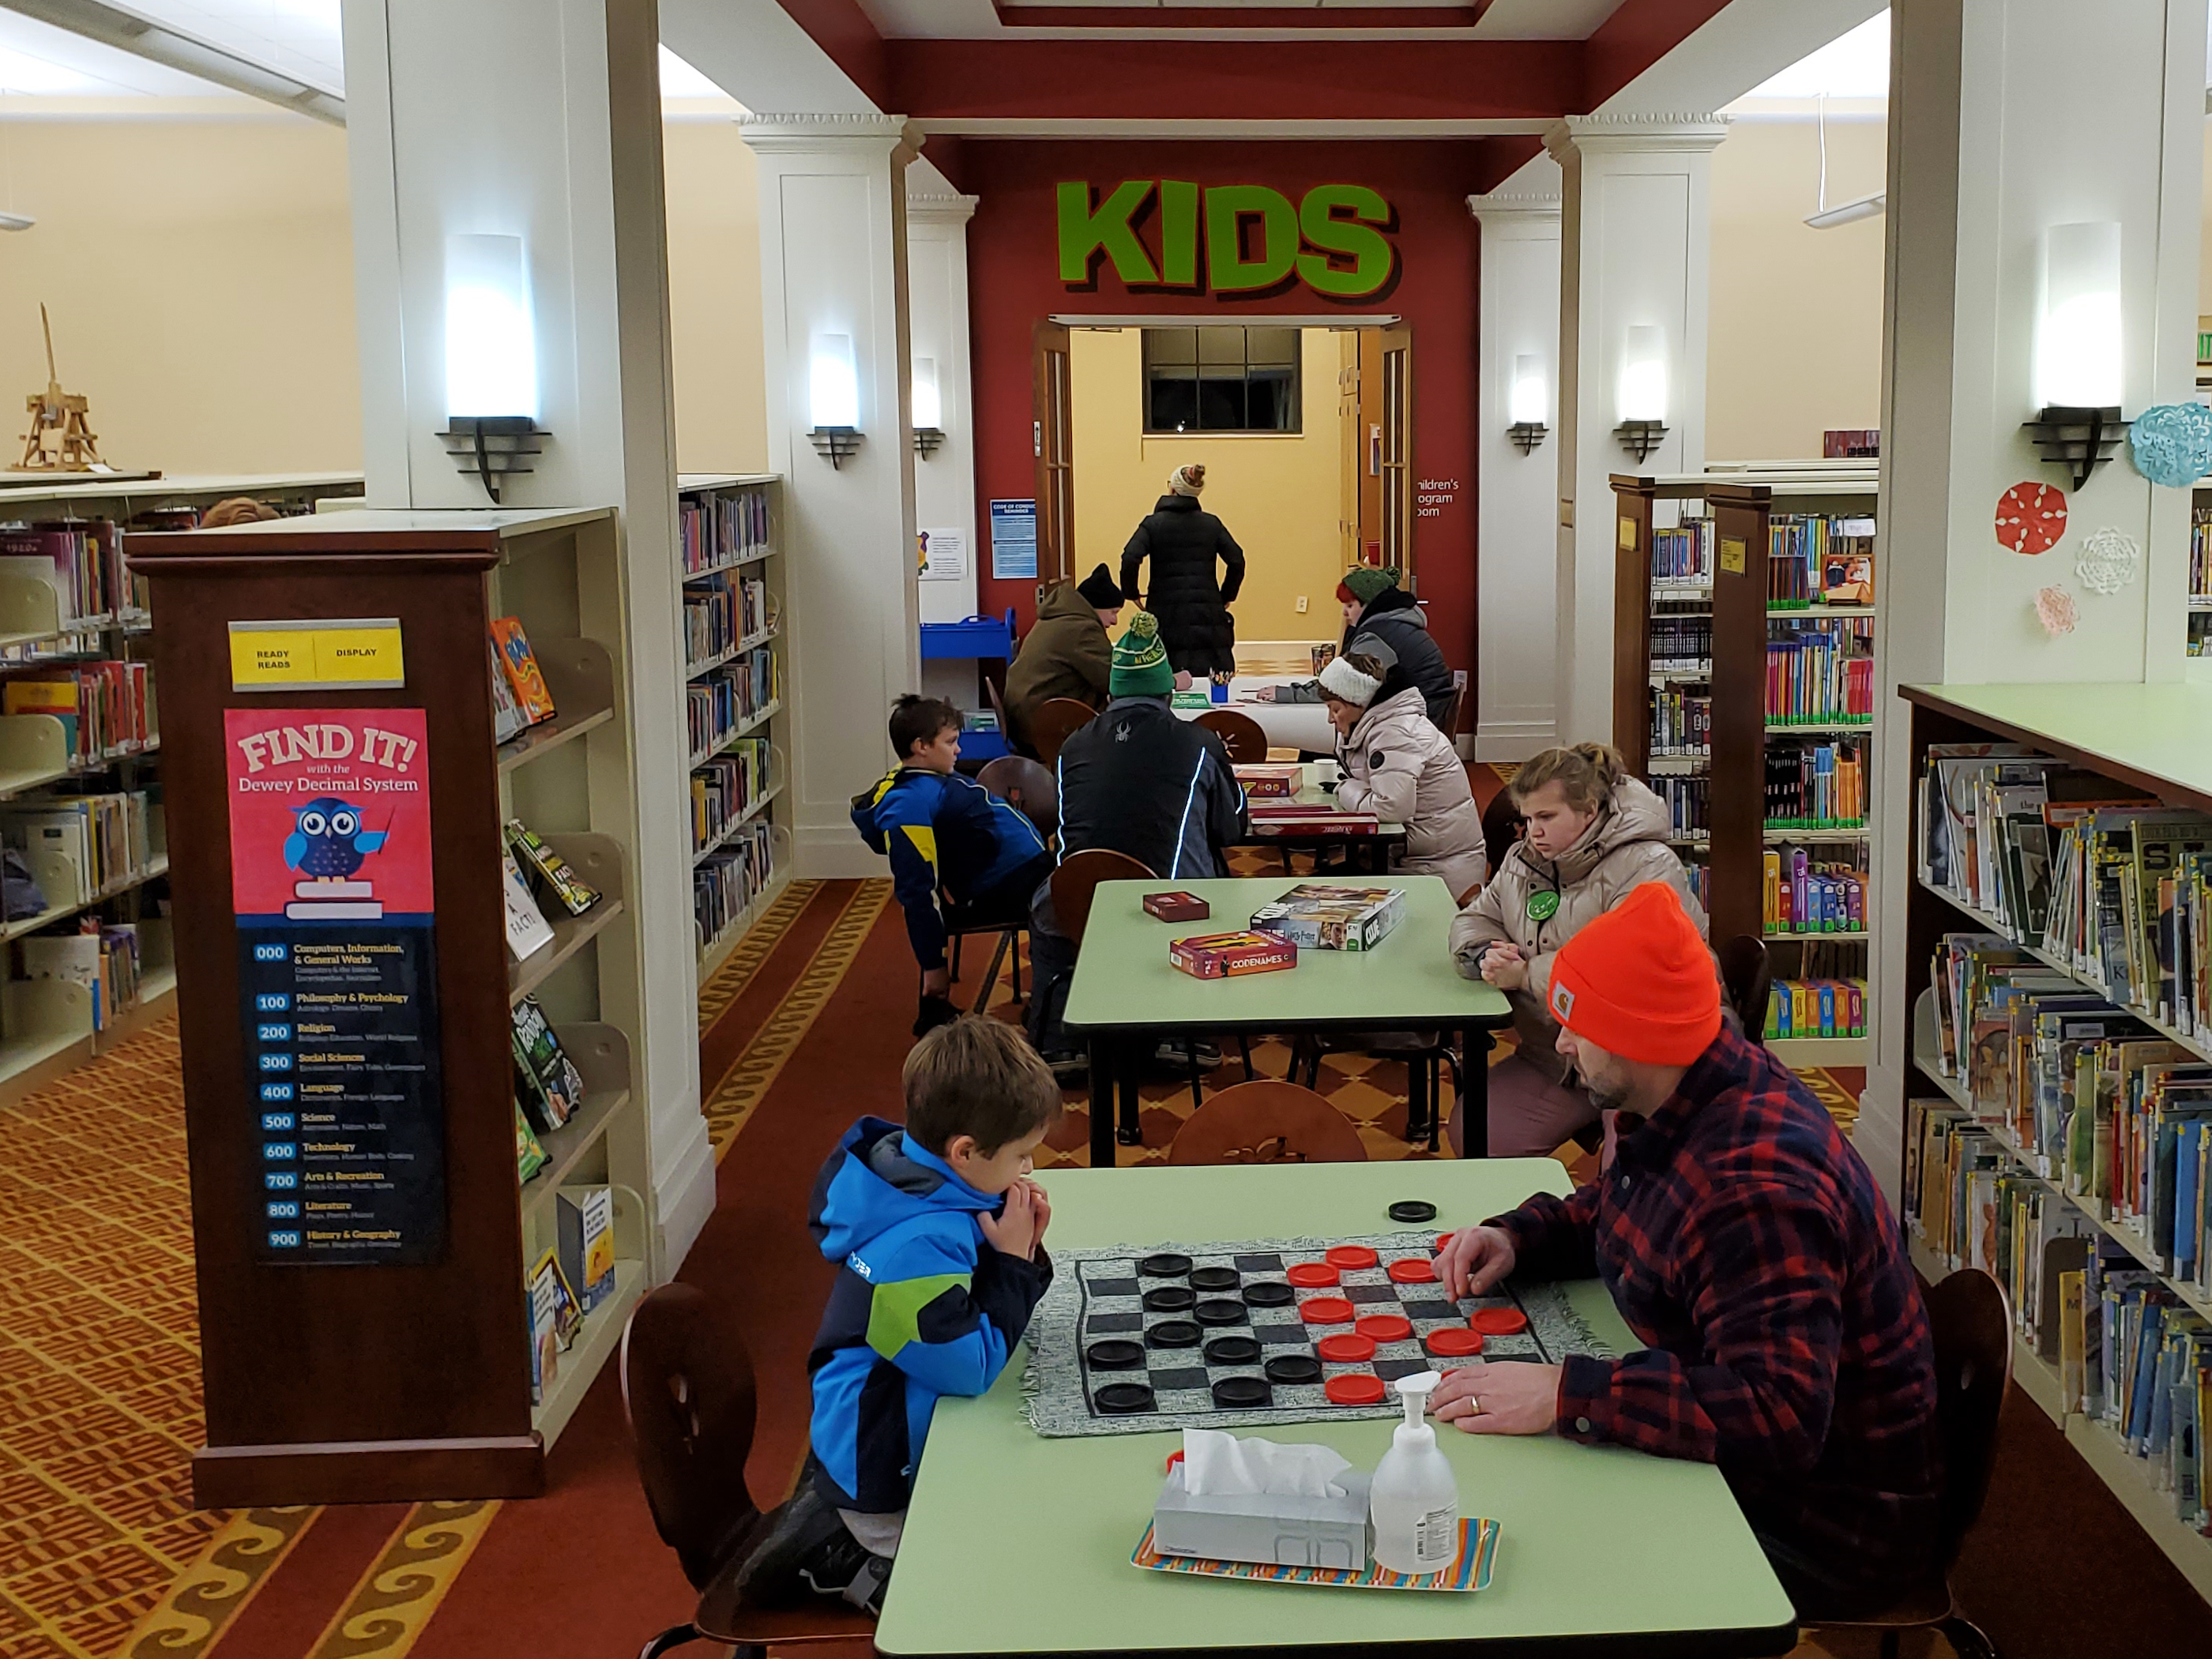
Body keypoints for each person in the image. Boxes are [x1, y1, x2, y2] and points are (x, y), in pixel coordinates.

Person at [1429, 882, 1942, 1618]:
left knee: (1518, 1553)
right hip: (1772, 1469)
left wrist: (1563, 1393)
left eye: (1577, 1023)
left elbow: (1779, 1418)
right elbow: (1631, 1205)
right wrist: (1521, 1236)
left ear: (1636, 1036)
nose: (1563, 1042)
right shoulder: (1693, 1088)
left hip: (1825, 1523)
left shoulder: (1756, 1189)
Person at [732, 1016, 1059, 1616]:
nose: (1027, 1171)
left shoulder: (932, 1186)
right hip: (881, 1469)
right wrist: (1014, 1263)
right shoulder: (912, 1248)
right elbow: (969, 1369)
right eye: (1020, 1155)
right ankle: (843, 1555)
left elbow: (967, 1315)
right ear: (964, 1151)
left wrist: (1020, 1254)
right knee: (995, 1598)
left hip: (899, 1422)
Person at [1446, 743, 1706, 1158]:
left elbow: (1627, 969)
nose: (1534, 832)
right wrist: (1484, 955)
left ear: (1589, 810)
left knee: (1634, 1167)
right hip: (1555, 1056)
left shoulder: (1648, 867)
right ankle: (1544, 1221)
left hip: (1637, 1063)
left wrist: (1526, 975)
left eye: (1547, 817)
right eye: (1528, 819)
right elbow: (1475, 919)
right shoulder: (1523, 860)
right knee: (1476, 1132)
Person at [1025, 611, 1249, 1072]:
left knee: (1048, 908)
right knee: (1217, 884)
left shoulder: (1072, 747)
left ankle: (1058, 1039)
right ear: (1169, 693)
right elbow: (1232, 830)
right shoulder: (1199, 744)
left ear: (1110, 694)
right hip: (1171, 903)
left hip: (1082, 901)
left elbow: (1068, 825)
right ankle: (1182, 1034)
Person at [852, 696, 1053, 1037]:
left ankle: (1054, 995)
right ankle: (1054, 1009)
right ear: (921, 746)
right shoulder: (908, 806)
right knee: (1077, 906)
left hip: (1022, 872)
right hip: (1004, 885)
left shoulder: (926, 778)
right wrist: (934, 968)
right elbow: (917, 892)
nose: (958, 751)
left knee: (1086, 889)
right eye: (950, 742)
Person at [1318, 651, 1486, 900]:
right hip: (1421, 856)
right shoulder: (1384, 724)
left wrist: (1345, 789)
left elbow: (1390, 807)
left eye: (1335, 709)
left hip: (1435, 873)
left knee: (1323, 894)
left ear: (1357, 702)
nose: (1330, 718)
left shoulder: (1394, 733)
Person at [1256, 566, 1455, 732]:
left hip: (1418, 721)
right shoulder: (1398, 624)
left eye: (1350, 606)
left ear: (1369, 605)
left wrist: (1286, 694)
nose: (1344, 613)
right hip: (1431, 710)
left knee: (1326, 734)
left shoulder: (1377, 636)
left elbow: (1340, 686)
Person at [1119, 463, 1244, 683]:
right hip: (1207, 609)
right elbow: (1237, 560)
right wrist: (1225, 597)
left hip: (1165, 608)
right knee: (1212, 678)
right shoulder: (1211, 524)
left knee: (1169, 675)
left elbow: (1130, 557)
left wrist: (1131, 593)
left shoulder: (1153, 524)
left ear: (1173, 489)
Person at [1003, 562, 1121, 753]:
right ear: (1094, 608)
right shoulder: (1083, 628)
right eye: (1113, 613)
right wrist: (1167, 681)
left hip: (1024, 718)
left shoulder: (1057, 617)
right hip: (1045, 727)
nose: (1115, 621)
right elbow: (1114, 679)